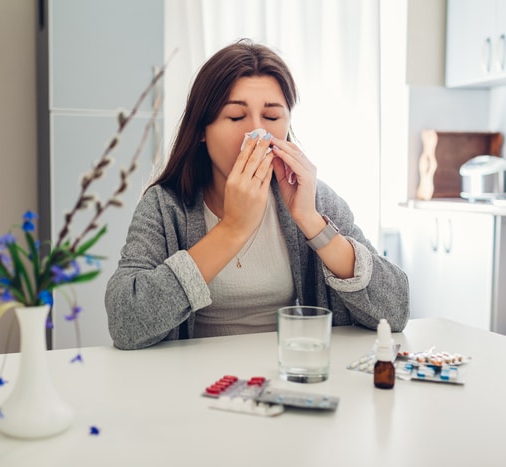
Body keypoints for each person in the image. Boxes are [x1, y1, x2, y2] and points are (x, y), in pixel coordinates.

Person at [105, 39, 410, 350]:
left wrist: (312, 222)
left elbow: (396, 310)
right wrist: (232, 229)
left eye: (272, 118)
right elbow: (126, 322)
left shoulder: (314, 198)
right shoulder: (164, 206)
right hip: (196, 386)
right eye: (236, 117)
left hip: (289, 374)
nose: (257, 134)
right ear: (200, 130)